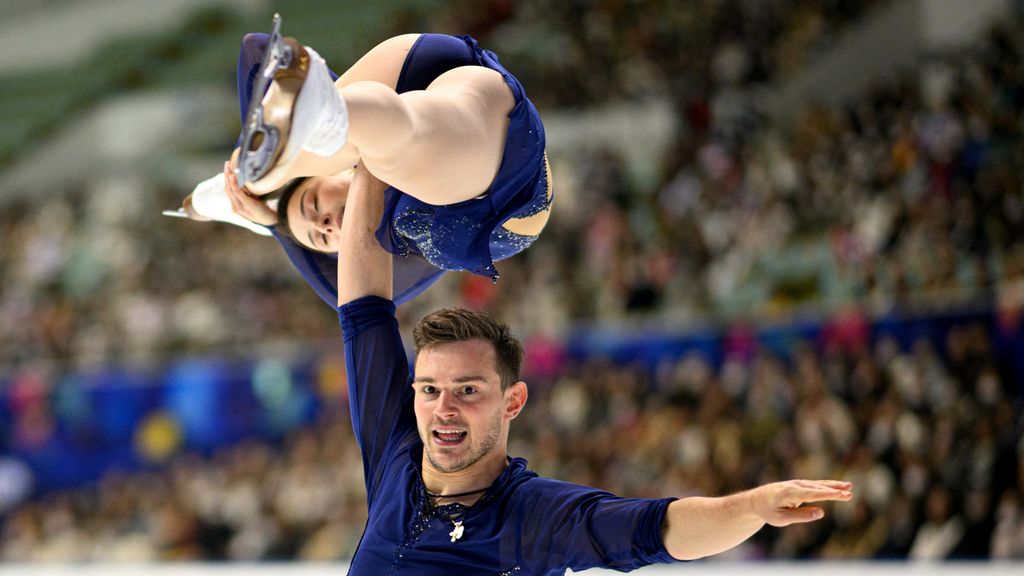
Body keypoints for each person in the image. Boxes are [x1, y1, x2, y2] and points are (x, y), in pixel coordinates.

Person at [333, 158, 853, 572]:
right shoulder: (395, 451)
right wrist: (372, 159)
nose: (442, 408)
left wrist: (751, 508)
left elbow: (660, 530)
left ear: (513, 401)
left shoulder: (536, 518)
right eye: (428, 389)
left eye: (467, 391)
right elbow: (364, 310)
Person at [181, 16, 552, 307]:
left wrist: (235, 196)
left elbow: (256, 48)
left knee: (377, 150)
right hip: (503, 192)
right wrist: (272, 222)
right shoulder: (389, 256)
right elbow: (340, 295)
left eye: (313, 205)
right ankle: (309, 136)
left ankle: (313, 133)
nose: (325, 223)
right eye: (321, 237)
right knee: (389, 153)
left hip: (434, 82)